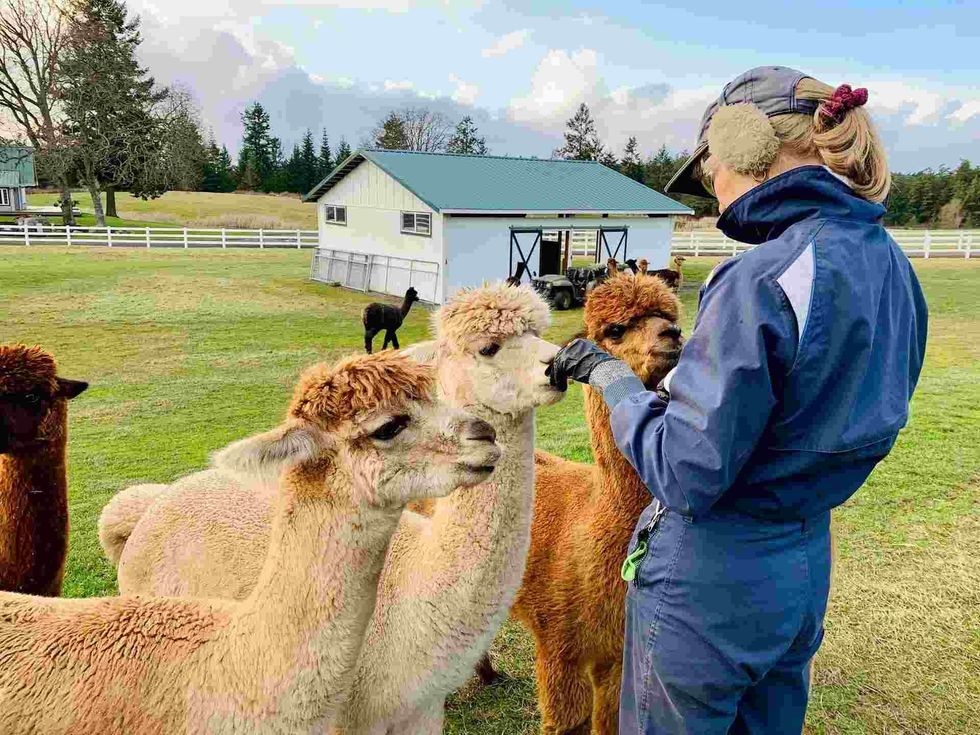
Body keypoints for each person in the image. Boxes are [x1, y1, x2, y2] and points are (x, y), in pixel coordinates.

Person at [547, 66, 928, 734]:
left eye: (708, 174)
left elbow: (687, 471)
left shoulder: (761, 274)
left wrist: (615, 385)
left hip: (714, 572)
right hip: (804, 557)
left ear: (743, 144)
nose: (713, 194)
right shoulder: (890, 264)